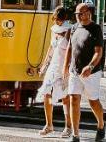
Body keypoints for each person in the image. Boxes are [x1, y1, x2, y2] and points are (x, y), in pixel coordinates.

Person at [62, 3, 106, 142]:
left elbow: (98, 52)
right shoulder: (74, 27)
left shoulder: (96, 29)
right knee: (73, 99)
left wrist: (90, 66)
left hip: (91, 73)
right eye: (76, 14)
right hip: (75, 71)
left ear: (89, 13)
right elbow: (70, 47)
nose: (78, 16)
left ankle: (101, 124)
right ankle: (75, 135)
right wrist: (65, 66)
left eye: (81, 13)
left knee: (93, 102)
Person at [36, 7, 74, 137]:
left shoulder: (70, 29)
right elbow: (51, 49)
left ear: (63, 18)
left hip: (64, 67)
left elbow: (71, 50)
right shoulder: (54, 30)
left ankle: (68, 127)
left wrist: (68, 68)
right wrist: (44, 66)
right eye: (55, 19)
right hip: (53, 66)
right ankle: (49, 125)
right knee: (46, 93)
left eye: (58, 19)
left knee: (65, 97)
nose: (56, 21)